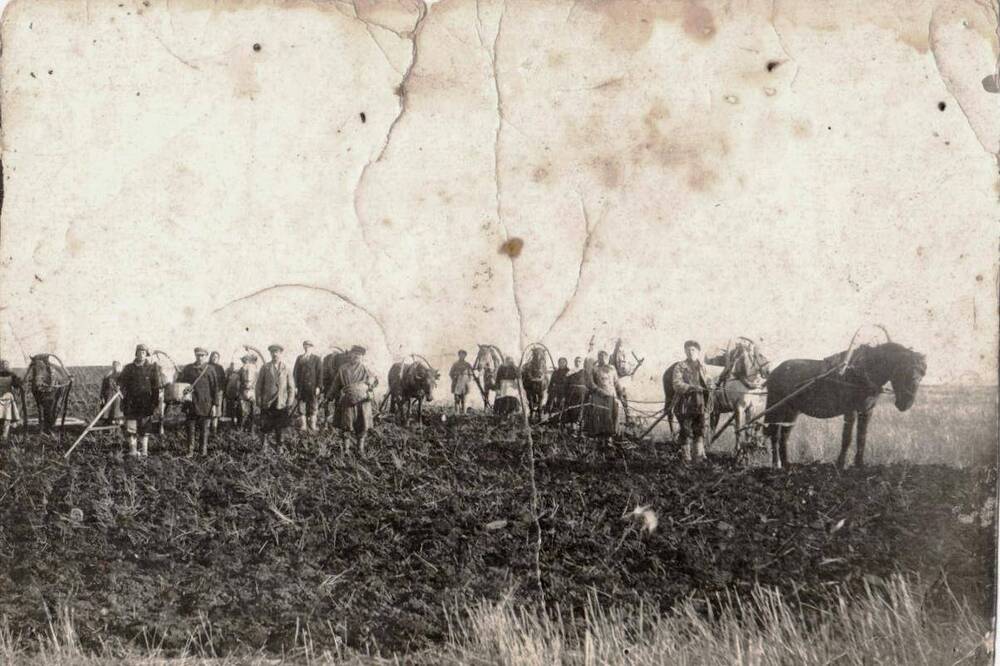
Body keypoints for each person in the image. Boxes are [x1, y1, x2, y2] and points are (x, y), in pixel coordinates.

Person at [329, 345, 378, 454]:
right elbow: (336, 384)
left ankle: (360, 450)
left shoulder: (366, 369)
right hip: (348, 401)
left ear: (361, 357)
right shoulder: (343, 369)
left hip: (362, 402)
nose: (356, 356)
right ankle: (346, 450)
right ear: (350, 355)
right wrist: (329, 396)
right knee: (346, 426)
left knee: (362, 426)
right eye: (354, 354)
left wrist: (371, 383)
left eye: (359, 355)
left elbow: (374, 381)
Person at [671, 340, 713, 464]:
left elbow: (709, 379)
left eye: (693, 350)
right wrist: (691, 387)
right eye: (688, 350)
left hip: (699, 403)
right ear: (685, 351)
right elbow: (676, 384)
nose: (690, 352)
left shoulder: (703, 367)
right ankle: (686, 458)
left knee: (699, 429)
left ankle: (698, 457)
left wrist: (711, 384)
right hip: (685, 403)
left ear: (698, 352)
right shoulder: (680, 366)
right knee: (685, 430)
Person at [176, 348, 220, 457]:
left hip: (206, 404)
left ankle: (202, 452)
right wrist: (186, 390)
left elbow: (215, 388)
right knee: (190, 429)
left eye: (202, 355)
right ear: (195, 355)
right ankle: (190, 451)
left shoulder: (210, 370)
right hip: (191, 404)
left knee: (204, 430)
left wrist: (215, 405)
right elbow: (181, 384)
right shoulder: (188, 369)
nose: (199, 357)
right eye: (198, 355)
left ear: (205, 356)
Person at [118, 344, 160, 457]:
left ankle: (144, 452)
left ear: (146, 354)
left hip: (146, 403)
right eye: (139, 352)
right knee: (131, 428)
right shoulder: (128, 368)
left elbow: (156, 388)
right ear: (136, 353)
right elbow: (121, 383)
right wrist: (118, 387)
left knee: (144, 428)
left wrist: (154, 403)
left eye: (144, 352)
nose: (141, 354)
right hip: (131, 403)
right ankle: (132, 451)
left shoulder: (151, 368)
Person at [256, 344, 295, 449]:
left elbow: (291, 387)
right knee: (265, 424)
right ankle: (264, 445)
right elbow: (258, 386)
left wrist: (290, 401)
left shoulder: (286, 368)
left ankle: (279, 445)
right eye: (273, 352)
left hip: (281, 402)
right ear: (270, 354)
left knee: (280, 425)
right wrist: (259, 400)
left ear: (280, 353)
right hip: (267, 402)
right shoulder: (265, 368)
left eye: (277, 352)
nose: (275, 354)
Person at [587, 351, 625, 443]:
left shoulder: (612, 369)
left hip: (611, 396)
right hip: (599, 397)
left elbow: (616, 382)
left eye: (604, 357)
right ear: (598, 358)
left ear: (607, 358)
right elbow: (591, 383)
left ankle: (609, 439)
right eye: (600, 357)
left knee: (612, 416)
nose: (602, 359)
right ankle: (599, 439)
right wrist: (599, 391)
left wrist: (620, 393)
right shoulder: (594, 369)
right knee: (599, 417)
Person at [27, 354, 69, 437]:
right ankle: (44, 426)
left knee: (50, 408)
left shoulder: (52, 373)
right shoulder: (36, 370)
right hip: (40, 388)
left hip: (51, 391)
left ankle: (49, 427)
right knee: (42, 408)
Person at [293, 340, 323, 431]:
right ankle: (303, 425)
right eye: (305, 346)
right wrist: (295, 386)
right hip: (301, 387)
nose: (307, 348)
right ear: (303, 347)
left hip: (312, 387)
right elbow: (295, 373)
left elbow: (320, 374)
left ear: (311, 347)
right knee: (301, 406)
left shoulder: (316, 359)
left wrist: (318, 386)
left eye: (309, 346)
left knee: (313, 406)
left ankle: (312, 425)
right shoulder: (299, 358)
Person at [0, 359, 23, 443]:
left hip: (7, 399)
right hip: (6, 399)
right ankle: (4, 436)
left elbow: (17, 385)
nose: (4, 366)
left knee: (6, 418)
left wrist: (18, 381)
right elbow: (17, 385)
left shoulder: (11, 375)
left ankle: (4, 436)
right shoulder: (12, 375)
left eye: (5, 365)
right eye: (3, 365)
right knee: (7, 418)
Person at [563, 356, 588, 427]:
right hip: (572, 393)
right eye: (576, 361)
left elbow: (589, 383)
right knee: (572, 407)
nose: (578, 362)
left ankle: (578, 424)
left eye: (579, 361)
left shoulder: (585, 372)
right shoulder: (570, 372)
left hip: (581, 393)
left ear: (581, 362)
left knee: (580, 408)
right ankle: (571, 424)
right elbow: (566, 384)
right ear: (574, 362)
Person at [237, 354, 258, 431]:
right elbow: (238, 380)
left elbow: (256, 380)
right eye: (244, 360)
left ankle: (251, 428)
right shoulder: (241, 369)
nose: (245, 362)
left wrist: (252, 386)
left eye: (247, 360)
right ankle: (241, 426)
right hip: (243, 391)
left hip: (252, 391)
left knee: (252, 411)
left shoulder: (254, 369)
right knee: (242, 410)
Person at [99, 361, 125, 426]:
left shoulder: (122, 375)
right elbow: (103, 387)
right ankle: (109, 420)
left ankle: (118, 420)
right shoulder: (108, 376)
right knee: (108, 408)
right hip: (109, 395)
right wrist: (102, 396)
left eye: (117, 366)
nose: (115, 367)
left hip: (118, 395)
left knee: (118, 406)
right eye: (114, 366)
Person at [207, 351, 227, 434]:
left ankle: (214, 430)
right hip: (208, 392)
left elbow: (223, 380)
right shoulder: (207, 366)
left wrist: (222, 390)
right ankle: (207, 429)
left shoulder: (220, 368)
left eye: (216, 357)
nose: (215, 358)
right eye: (213, 356)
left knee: (217, 412)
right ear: (211, 357)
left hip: (218, 392)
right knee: (208, 411)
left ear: (218, 359)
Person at [449, 349, 473, 414]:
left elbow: (471, 375)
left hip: (464, 385)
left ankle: (463, 414)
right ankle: (456, 414)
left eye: (463, 355)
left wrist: (467, 381)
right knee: (456, 400)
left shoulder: (468, 365)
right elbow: (450, 373)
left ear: (465, 356)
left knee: (464, 400)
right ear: (458, 355)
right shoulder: (455, 364)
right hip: (456, 384)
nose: (462, 356)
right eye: (460, 354)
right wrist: (454, 378)